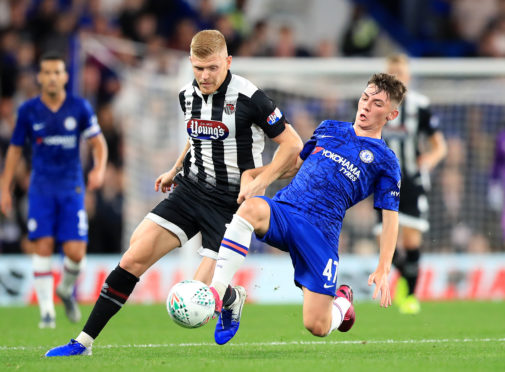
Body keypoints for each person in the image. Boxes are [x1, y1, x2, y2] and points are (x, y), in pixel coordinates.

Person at [45, 29, 302, 356]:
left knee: (197, 301)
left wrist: (262, 179)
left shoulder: (252, 98)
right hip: (191, 190)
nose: (205, 76)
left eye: (212, 68)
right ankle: (83, 343)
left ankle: (230, 297)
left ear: (228, 61)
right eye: (198, 68)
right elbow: (196, 137)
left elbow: (292, 144)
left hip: (230, 204)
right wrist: (175, 169)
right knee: (133, 257)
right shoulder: (186, 95)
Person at [208, 73, 406, 342]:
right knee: (251, 209)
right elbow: (295, 167)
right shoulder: (328, 128)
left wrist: (384, 266)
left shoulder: (386, 161)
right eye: (365, 98)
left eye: (378, 104)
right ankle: (223, 294)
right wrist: (257, 175)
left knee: (317, 326)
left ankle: (342, 305)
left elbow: (390, 216)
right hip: (286, 211)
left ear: (391, 114)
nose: (367, 106)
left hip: (320, 235)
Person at [0, 51, 108, 328]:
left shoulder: (79, 107)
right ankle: (47, 311)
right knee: (44, 245)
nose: (51, 77)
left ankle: (64, 289)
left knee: (75, 252)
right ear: (39, 77)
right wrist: (4, 186)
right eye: (46, 72)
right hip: (41, 188)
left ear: (65, 76)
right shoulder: (28, 110)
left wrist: (99, 169)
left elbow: (98, 143)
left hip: (72, 187)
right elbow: (14, 150)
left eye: (56, 72)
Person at [377, 54, 447, 314]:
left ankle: (410, 295)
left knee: (410, 240)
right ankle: (407, 281)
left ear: (408, 76)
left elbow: (440, 146)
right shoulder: (374, 105)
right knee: (382, 240)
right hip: (384, 182)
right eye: (392, 71)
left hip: (413, 181)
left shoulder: (420, 105)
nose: (397, 75)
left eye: (400, 71)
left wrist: (428, 159)